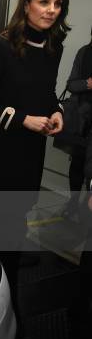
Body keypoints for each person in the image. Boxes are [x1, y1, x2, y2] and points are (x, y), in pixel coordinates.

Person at [0, 0, 70, 326]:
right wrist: (23, 119)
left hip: (29, 154)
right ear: (27, 4)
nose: (51, 10)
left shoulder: (53, 48)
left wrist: (57, 110)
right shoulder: (1, 47)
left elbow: (46, 91)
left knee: (15, 228)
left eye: (57, 4)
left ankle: (6, 302)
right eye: (44, 2)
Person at [63, 28, 92, 219]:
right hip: (83, 121)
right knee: (78, 165)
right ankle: (73, 203)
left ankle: (86, 208)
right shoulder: (85, 52)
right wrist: (88, 84)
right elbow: (71, 84)